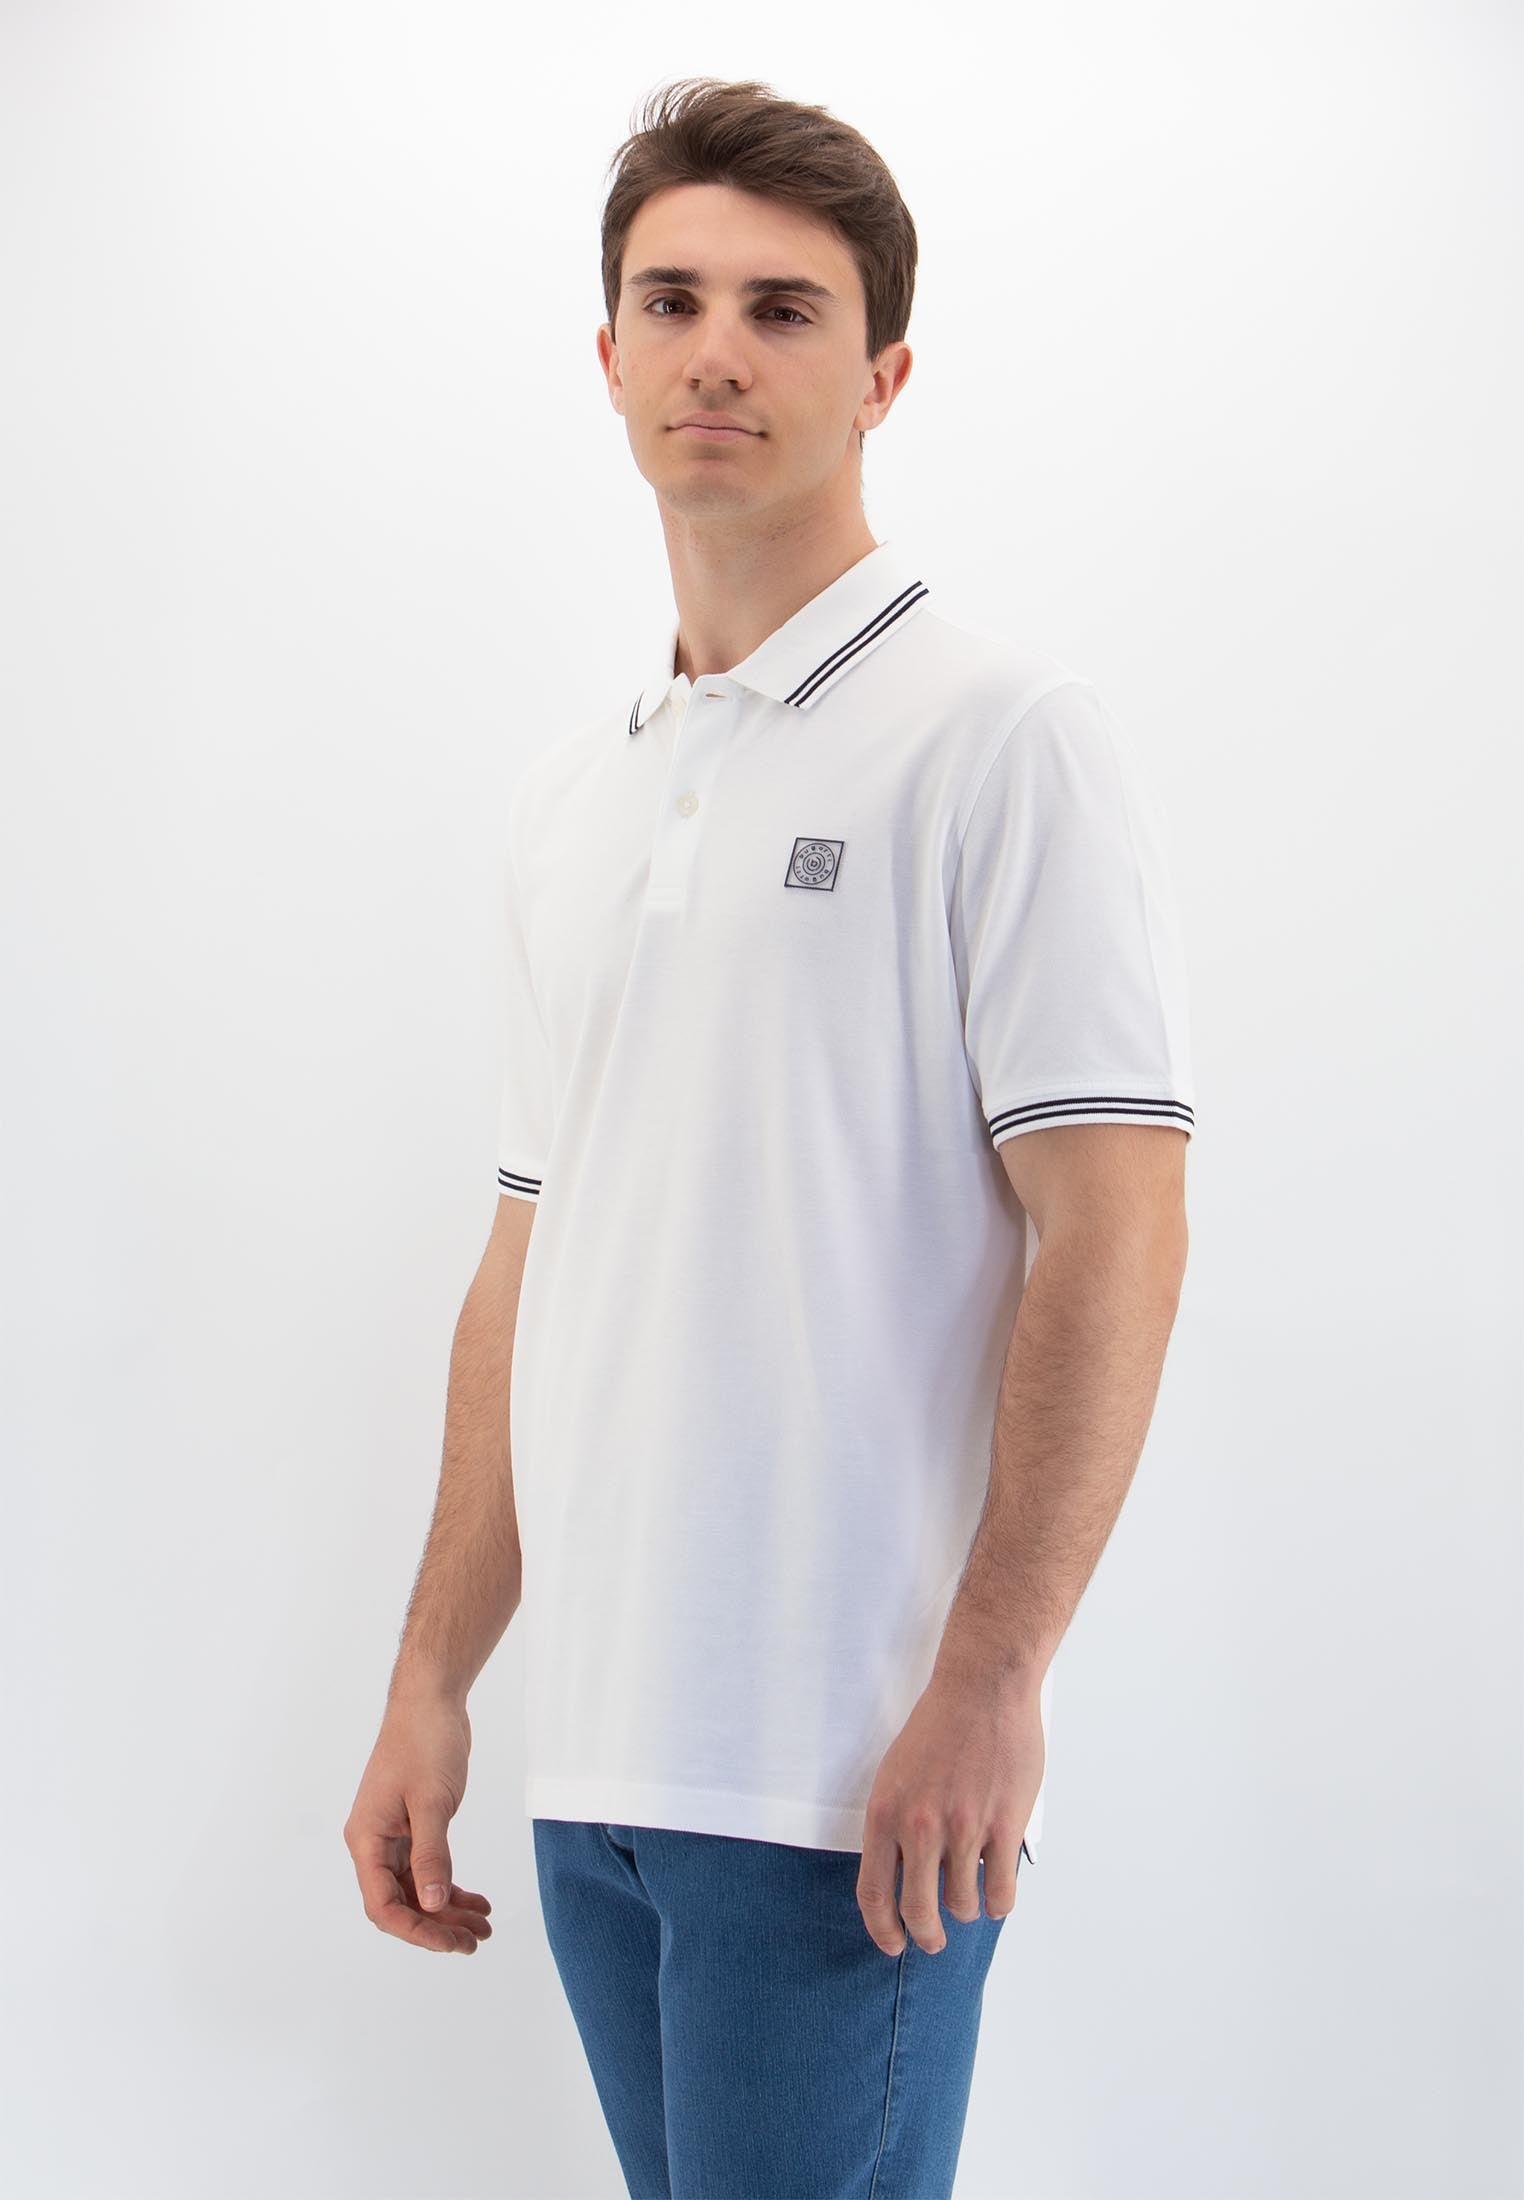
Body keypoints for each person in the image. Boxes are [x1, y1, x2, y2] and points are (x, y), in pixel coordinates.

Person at [345, 73, 1197, 2200]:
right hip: (600, 1768)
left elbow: (1117, 1226)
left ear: (883, 374)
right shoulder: (576, 796)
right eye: (674, 299)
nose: (717, 349)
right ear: (609, 353)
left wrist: (994, 1676)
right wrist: (435, 1675)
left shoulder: (999, 738)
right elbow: (532, 1256)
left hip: (849, 1778)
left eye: (784, 309)